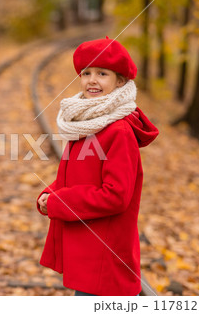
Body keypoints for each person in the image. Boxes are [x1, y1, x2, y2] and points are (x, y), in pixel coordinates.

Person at [36, 37, 159, 296]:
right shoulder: (87, 123)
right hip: (87, 250)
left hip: (104, 254)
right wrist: (50, 193)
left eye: (102, 73)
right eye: (86, 73)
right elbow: (79, 178)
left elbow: (116, 196)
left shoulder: (119, 131)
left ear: (120, 81)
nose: (92, 80)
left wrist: (61, 202)